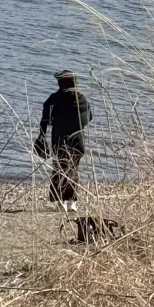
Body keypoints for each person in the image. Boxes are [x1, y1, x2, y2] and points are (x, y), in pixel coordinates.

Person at [38, 69, 92, 212]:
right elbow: (88, 118)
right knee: (73, 168)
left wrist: (41, 136)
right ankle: (71, 202)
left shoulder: (54, 99)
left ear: (60, 83)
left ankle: (60, 200)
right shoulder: (82, 99)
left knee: (59, 168)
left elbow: (45, 120)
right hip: (77, 140)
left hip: (59, 138)